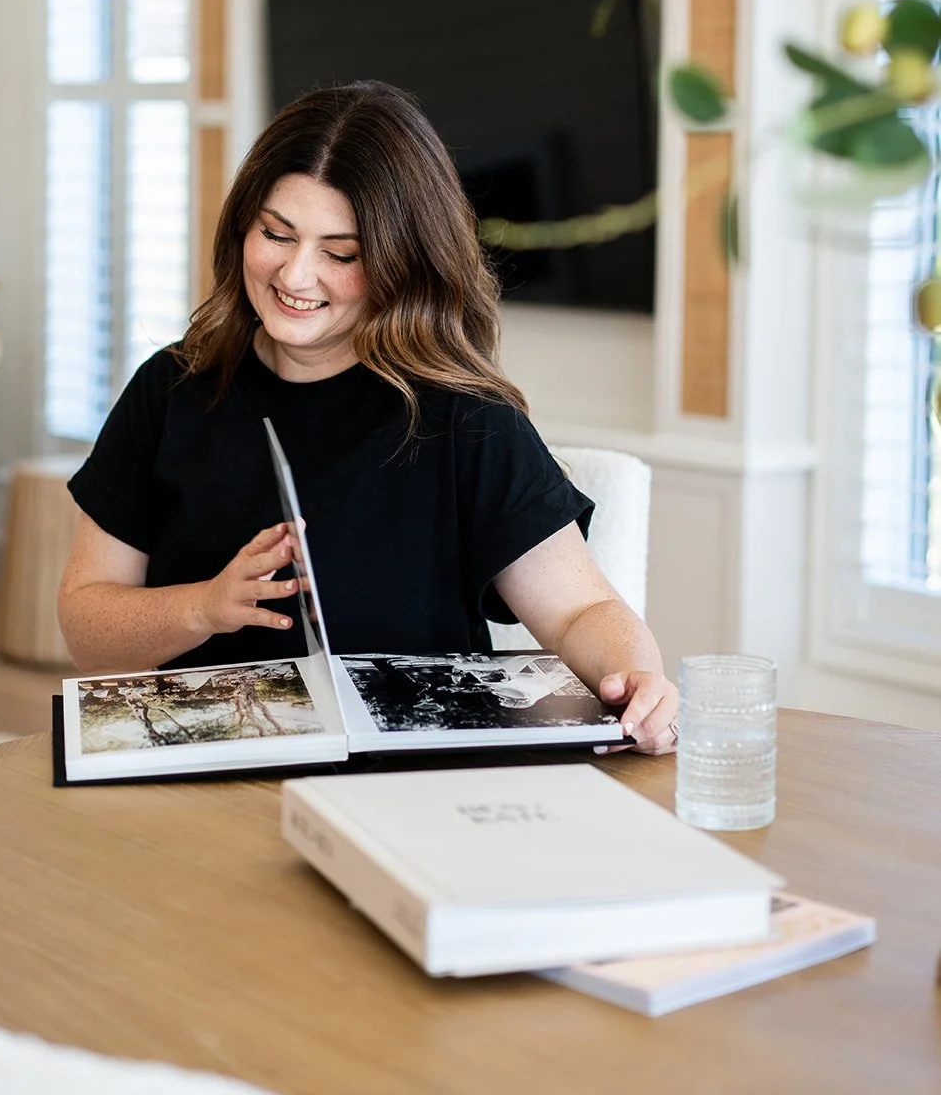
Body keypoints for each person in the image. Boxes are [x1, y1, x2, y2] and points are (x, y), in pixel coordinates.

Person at [58, 82, 678, 755]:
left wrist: (637, 676)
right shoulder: (169, 391)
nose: (296, 275)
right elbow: (88, 629)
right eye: (276, 234)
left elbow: (582, 612)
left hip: (406, 788)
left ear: (401, 262)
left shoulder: (466, 421)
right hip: (202, 771)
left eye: (340, 253)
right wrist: (203, 607)